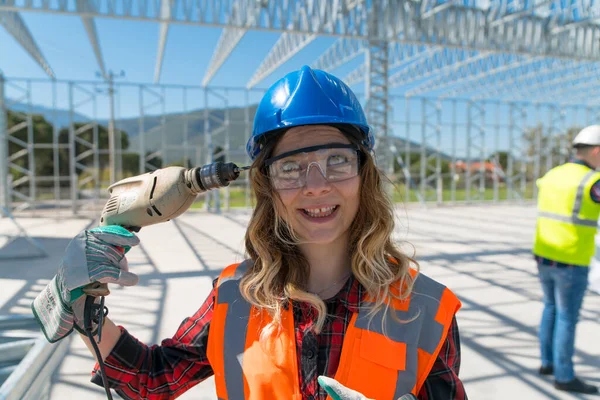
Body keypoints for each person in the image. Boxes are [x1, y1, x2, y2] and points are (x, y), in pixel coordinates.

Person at [32, 66, 466, 400]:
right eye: (290, 167)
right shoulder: (234, 296)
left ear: (364, 175)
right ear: (268, 188)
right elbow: (153, 380)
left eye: (337, 159)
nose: (316, 184)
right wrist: (83, 307)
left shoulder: (426, 310)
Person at [532, 124, 600, 395]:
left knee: (550, 308)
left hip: (544, 256)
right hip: (572, 259)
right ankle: (564, 375)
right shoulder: (593, 181)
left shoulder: (553, 174)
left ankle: (548, 363)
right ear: (596, 150)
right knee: (567, 318)